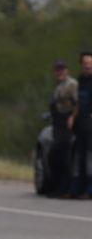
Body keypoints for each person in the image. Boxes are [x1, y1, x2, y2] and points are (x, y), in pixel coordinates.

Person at [49, 59, 78, 197]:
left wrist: (72, 117)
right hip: (57, 125)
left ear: (67, 70)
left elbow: (78, 104)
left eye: (62, 69)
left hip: (66, 125)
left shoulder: (71, 85)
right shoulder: (58, 86)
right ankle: (58, 187)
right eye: (57, 69)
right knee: (55, 156)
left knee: (63, 157)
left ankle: (65, 189)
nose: (59, 72)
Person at [71, 51, 92, 199]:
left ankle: (89, 190)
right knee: (80, 157)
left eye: (90, 63)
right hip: (81, 124)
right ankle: (78, 188)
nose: (88, 66)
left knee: (89, 158)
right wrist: (72, 117)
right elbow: (78, 102)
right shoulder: (80, 81)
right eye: (85, 63)